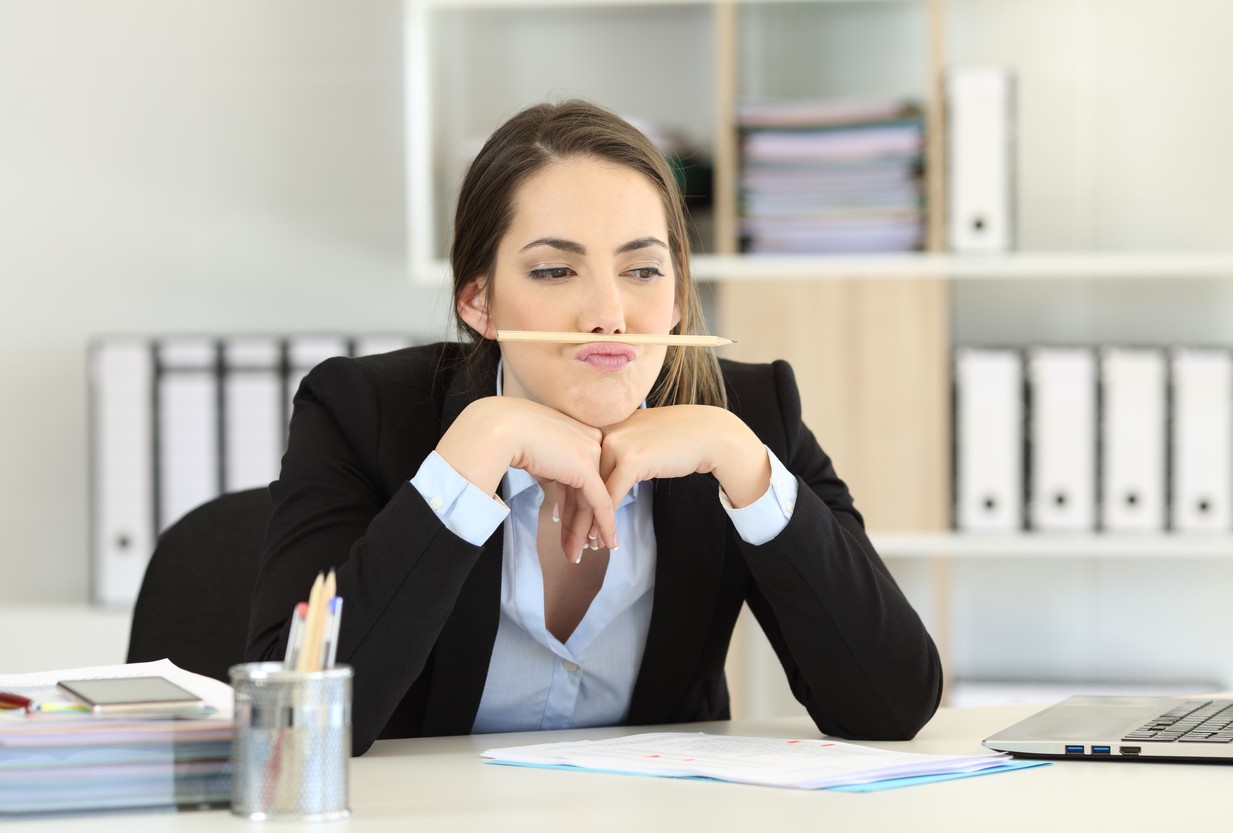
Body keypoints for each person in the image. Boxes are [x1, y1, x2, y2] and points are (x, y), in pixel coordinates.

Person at [246, 99, 942, 756]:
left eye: (643, 270)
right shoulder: (359, 409)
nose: (609, 315)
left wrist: (744, 465)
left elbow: (892, 705)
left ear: (677, 295)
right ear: (479, 300)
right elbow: (290, 727)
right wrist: (470, 459)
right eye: (555, 270)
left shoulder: (750, 415)